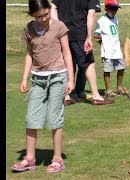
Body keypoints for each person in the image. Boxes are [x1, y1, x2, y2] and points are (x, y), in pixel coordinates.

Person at [11, 0, 74, 173]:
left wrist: (71, 80)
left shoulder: (59, 27)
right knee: (31, 118)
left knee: (55, 118)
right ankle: (30, 158)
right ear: (32, 15)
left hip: (58, 77)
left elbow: (67, 53)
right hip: (37, 79)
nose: (44, 19)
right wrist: (24, 78)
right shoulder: (29, 29)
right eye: (39, 17)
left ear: (49, 10)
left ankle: (57, 159)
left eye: (46, 14)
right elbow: (29, 55)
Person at [51, 0, 114, 105]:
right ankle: (96, 96)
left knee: (66, 63)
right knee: (88, 63)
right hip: (79, 32)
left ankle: (67, 96)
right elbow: (91, 14)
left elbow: (52, 7)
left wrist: (59, 26)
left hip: (63, 33)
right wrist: (89, 37)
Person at [94, 0, 126, 98]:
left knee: (121, 67)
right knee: (107, 69)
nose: (114, 11)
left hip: (116, 49)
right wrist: (104, 38)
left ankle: (119, 87)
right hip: (108, 50)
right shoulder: (102, 20)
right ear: (106, 8)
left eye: (116, 9)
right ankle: (108, 90)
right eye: (112, 8)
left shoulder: (116, 19)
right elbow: (96, 34)